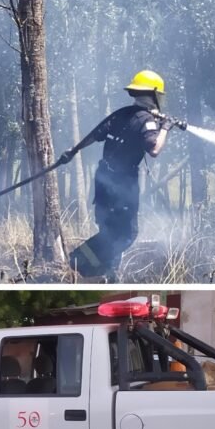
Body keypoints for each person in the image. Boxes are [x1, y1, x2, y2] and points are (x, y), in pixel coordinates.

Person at [60, 70, 180, 279]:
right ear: (153, 94)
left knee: (109, 231)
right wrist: (166, 128)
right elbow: (154, 149)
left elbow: (95, 134)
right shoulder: (148, 121)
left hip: (103, 180)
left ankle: (105, 274)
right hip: (123, 185)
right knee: (126, 235)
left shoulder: (120, 114)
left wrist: (73, 150)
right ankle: (77, 261)